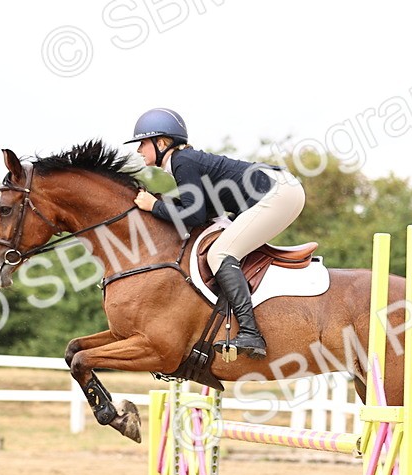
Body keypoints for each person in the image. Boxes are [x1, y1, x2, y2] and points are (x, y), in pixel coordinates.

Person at [127, 107, 305, 360]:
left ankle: (251, 332)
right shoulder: (186, 161)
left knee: (220, 253)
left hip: (277, 193)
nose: (138, 150)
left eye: (142, 143)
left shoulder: (182, 162)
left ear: (162, 142)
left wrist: (153, 205)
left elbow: (194, 214)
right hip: (279, 190)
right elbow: (203, 211)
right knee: (226, 247)